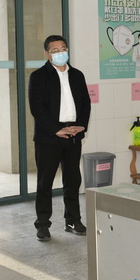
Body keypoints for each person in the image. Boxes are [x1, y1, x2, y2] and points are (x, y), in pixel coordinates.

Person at [28, 35, 91, 241]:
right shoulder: (38, 76)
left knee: (72, 180)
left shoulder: (77, 75)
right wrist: (56, 129)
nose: (60, 53)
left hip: (73, 134)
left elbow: (85, 103)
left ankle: (73, 220)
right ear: (47, 54)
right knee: (45, 183)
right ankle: (42, 224)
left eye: (63, 48)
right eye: (55, 50)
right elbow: (37, 108)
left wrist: (80, 126)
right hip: (49, 136)